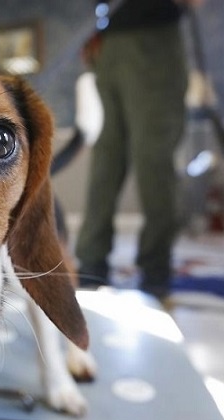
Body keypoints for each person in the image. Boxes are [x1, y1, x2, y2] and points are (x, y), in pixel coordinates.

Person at [75, 0, 204, 298]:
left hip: (109, 42)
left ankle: (92, 263)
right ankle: (155, 270)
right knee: (154, 158)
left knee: (108, 157)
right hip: (152, 40)